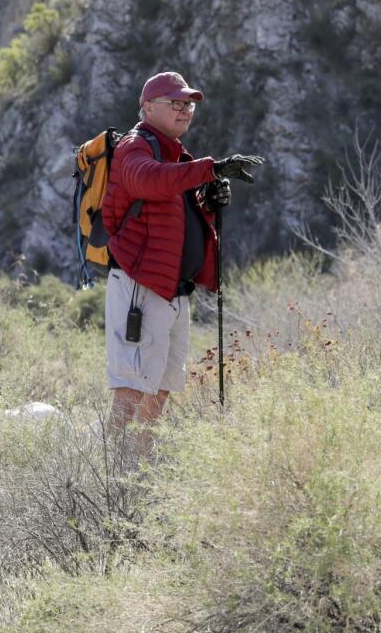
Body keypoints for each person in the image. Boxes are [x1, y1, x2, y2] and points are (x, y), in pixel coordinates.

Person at [103, 71, 264, 451]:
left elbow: (175, 218)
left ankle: (139, 466)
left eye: (188, 104)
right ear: (147, 107)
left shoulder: (177, 157)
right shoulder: (134, 146)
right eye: (175, 103)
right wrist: (209, 169)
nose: (185, 110)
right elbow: (149, 182)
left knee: (162, 385)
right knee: (132, 383)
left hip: (173, 290)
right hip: (140, 287)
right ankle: (111, 473)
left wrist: (207, 202)